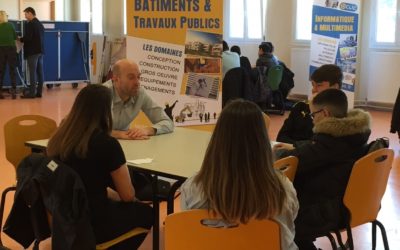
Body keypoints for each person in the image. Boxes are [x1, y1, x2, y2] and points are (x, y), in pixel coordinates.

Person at [181, 99, 299, 250]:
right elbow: (288, 231)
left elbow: (189, 231)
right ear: (262, 140)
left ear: (217, 139)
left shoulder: (193, 187)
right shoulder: (283, 189)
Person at [47, 84, 154, 249]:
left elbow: (78, 183)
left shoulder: (59, 139)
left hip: (62, 219)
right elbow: (127, 195)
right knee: (149, 214)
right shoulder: (107, 145)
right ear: (105, 112)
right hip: (94, 223)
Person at [273, 89, 371, 250]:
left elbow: (293, 160)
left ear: (324, 113)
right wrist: (299, 145)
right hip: (350, 204)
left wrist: (280, 152)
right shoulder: (354, 134)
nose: (312, 120)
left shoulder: (330, 142)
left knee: (280, 217)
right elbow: (314, 149)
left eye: (313, 115)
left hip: (327, 210)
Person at [103, 59, 174, 140]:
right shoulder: (101, 94)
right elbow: (88, 129)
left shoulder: (140, 93)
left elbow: (168, 122)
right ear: (116, 79)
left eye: (138, 77)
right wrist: (117, 134)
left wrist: (148, 130)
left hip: (126, 145)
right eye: (131, 77)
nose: (137, 82)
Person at [276, 64, 343, 145]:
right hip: (293, 154)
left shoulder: (339, 117)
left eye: (319, 85)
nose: (313, 90)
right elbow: (281, 137)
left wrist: (294, 147)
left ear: (335, 87)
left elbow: (320, 146)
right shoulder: (300, 107)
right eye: (313, 85)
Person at [19, 7, 45, 98]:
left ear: (30, 13)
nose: (25, 16)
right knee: (40, 72)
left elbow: (28, 38)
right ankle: (39, 92)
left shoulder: (30, 24)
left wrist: (20, 39)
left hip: (33, 52)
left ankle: (31, 94)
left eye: (26, 14)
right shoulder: (40, 24)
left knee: (32, 72)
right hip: (40, 51)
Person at [0, 10, 17, 99]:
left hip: (1, 49)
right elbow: (15, 37)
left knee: (1, 71)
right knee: (12, 70)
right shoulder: (11, 25)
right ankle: (14, 92)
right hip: (11, 49)